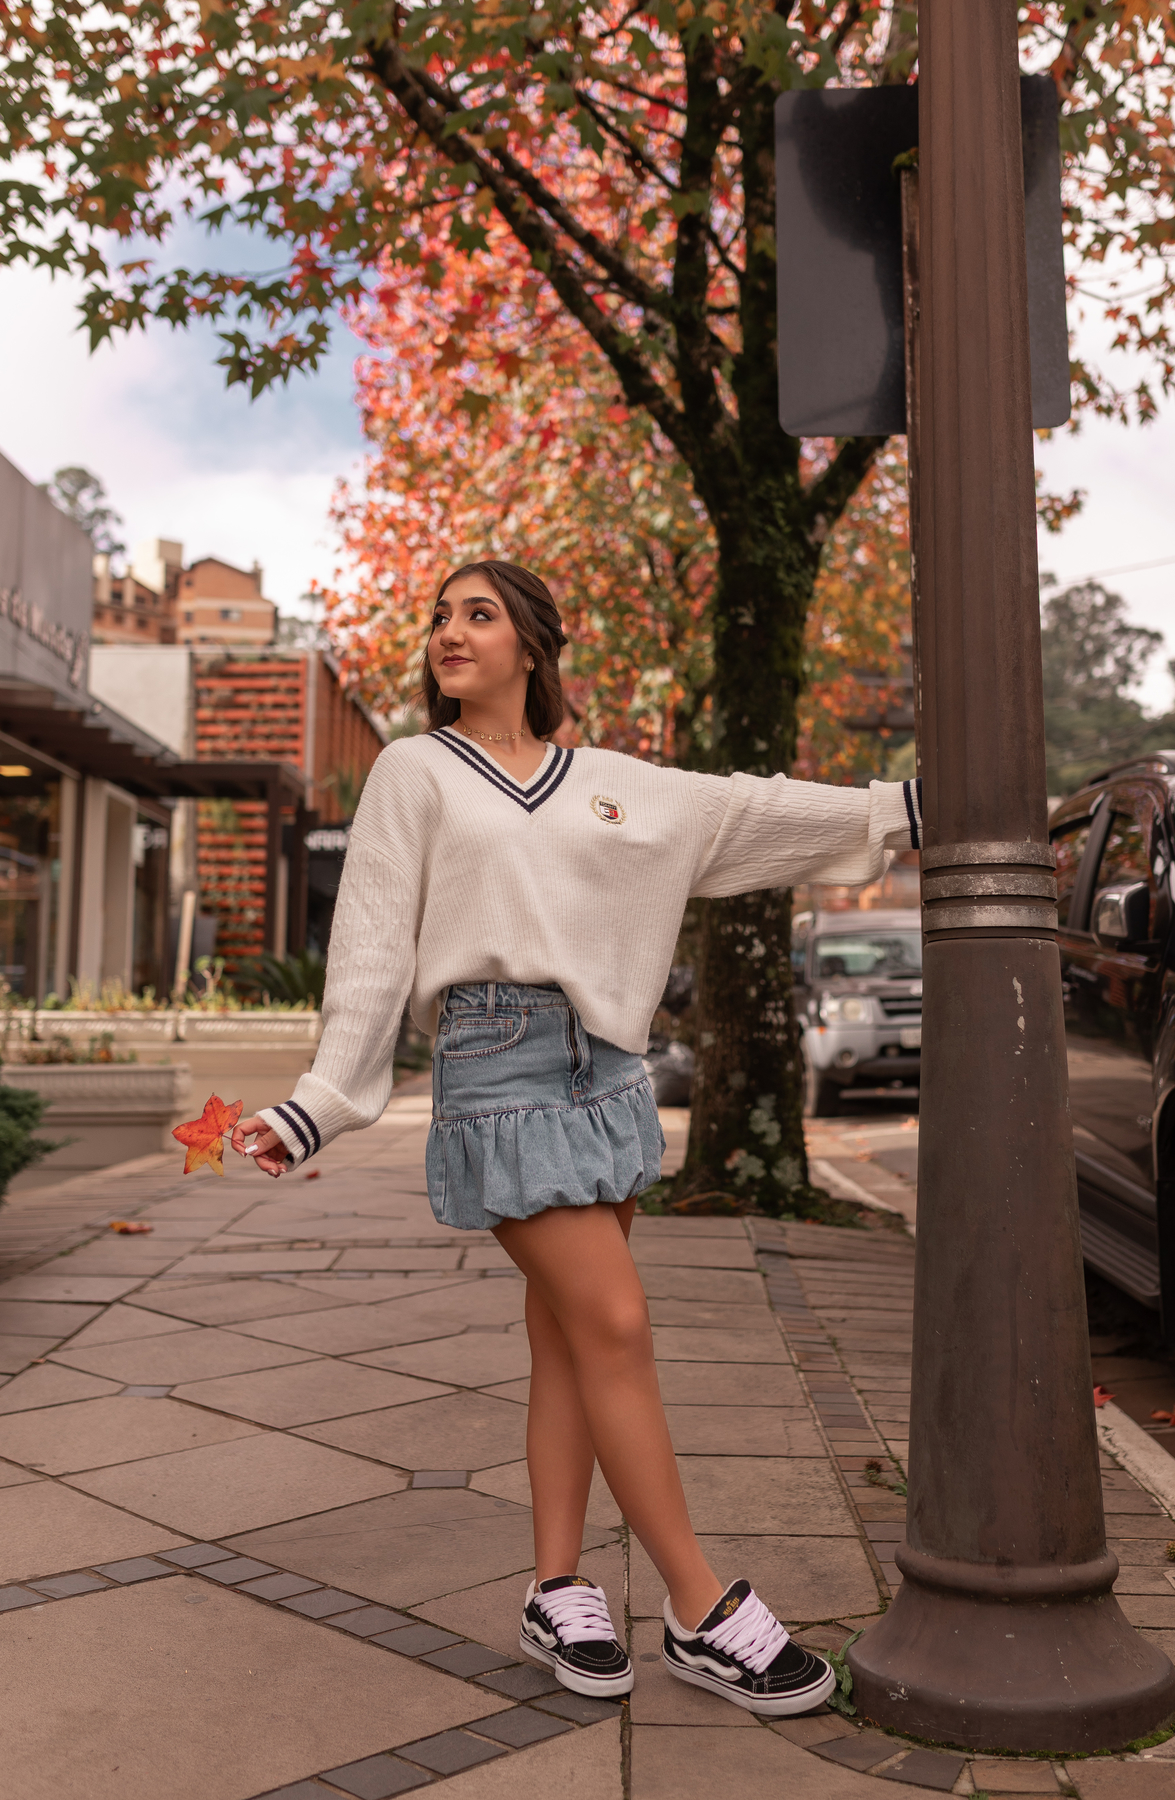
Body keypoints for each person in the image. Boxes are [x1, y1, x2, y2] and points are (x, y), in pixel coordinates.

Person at [233, 559, 922, 1716]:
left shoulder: (607, 783)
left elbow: (743, 811)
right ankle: (700, 1608)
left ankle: (560, 1588)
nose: (450, 630)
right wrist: (323, 1099)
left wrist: (897, 811)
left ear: (532, 646)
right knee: (616, 1321)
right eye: (440, 613)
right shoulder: (413, 771)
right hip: (494, 1061)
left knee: (567, 1340)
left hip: (603, 1069)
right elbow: (370, 943)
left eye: (479, 613)